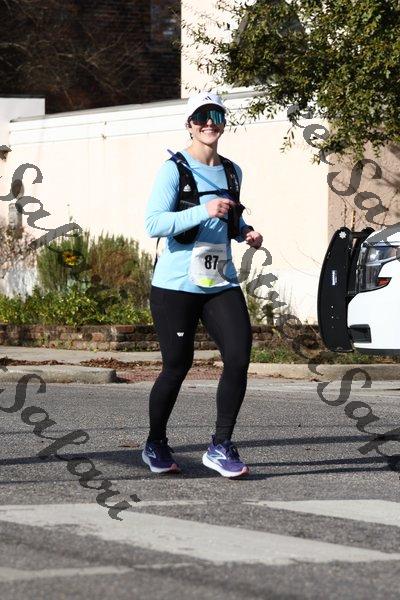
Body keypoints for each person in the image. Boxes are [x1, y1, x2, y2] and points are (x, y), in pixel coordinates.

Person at [143, 91, 263, 478]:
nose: (209, 123)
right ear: (190, 124)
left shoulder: (233, 171)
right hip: (176, 286)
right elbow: (154, 223)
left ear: (224, 122)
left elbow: (229, 219)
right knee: (177, 366)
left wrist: (245, 231)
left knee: (239, 357)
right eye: (201, 116)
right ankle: (155, 442)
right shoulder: (173, 170)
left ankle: (220, 445)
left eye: (216, 115)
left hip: (219, 281)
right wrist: (203, 209)